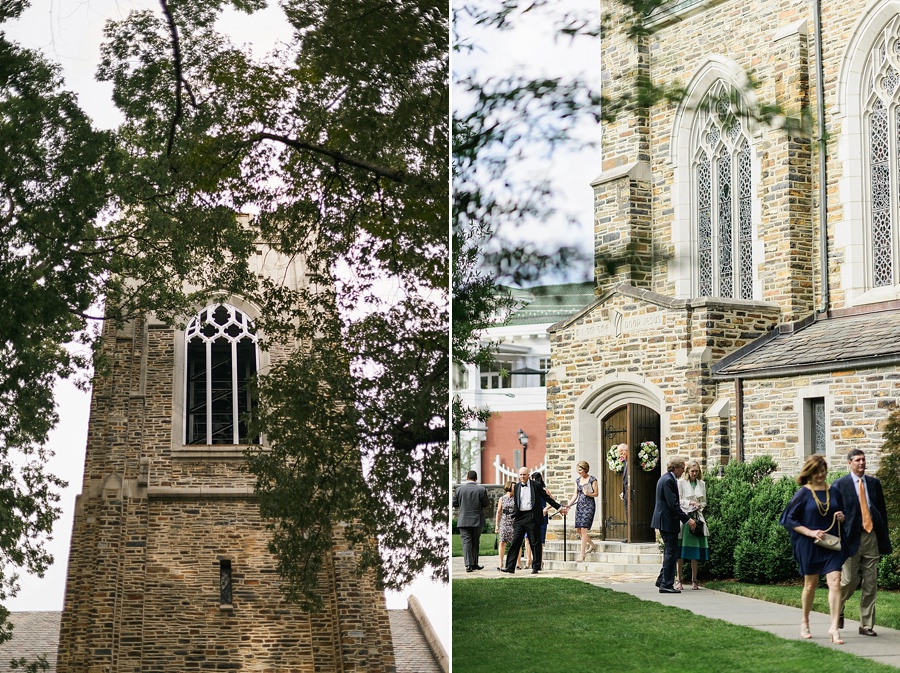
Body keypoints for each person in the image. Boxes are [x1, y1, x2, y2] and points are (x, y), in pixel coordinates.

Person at [779, 454, 847, 643]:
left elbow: (843, 512)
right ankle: (805, 621)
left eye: (823, 471)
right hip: (809, 545)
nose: (821, 475)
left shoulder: (834, 491)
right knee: (810, 585)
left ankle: (834, 628)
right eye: (817, 472)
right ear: (810, 472)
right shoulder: (803, 493)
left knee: (835, 581)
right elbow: (789, 520)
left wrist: (842, 517)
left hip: (831, 544)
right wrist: (810, 532)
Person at [836, 449, 892, 636]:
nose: (861, 463)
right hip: (850, 538)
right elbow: (832, 511)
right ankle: (839, 608)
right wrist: (839, 517)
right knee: (849, 581)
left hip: (870, 536)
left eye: (863, 459)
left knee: (871, 582)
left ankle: (866, 625)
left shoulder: (874, 484)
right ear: (849, 463)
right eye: (857, 460)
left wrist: (882, 534)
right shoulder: (840, 485)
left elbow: (881, 511)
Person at [500, 467, 565, 574]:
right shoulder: (516, 487)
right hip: (520, 517)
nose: (522, 477)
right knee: (515, 541)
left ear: (528, 475)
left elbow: (547, 498)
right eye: (520, 475)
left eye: (524, 475)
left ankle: (536, 566)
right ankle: (510, 567)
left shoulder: (536, 485)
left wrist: (559, 508)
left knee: (535, 542)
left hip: (532, 516)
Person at [651, 455, 695, 594]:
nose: (683, 471)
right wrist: (688, 520)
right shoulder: (668, 480)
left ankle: (662, 579)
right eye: (682, 468)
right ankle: (666, 584)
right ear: (675, 468)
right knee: (671, 552)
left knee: (670, 551)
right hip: (667, 521)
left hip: (665, 520)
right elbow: (673, 505)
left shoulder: (667, 478)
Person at [676, 459, 708, 590]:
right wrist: (691, 504)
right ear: (688, 471)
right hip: (684, 518)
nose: (694, 473)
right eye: (692, 471)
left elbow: (704, 501)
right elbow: (679, 500)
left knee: (695, 551)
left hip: (697, 517)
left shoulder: (702, 484)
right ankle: (679, 580)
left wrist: (700, 506)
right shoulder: (681, 483)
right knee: (681, 551)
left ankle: (694, 580)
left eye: (696, 471)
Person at [453, 470, 489, 573]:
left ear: (467, 477)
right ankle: (474, 563)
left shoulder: (459, 489)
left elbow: (455, 503)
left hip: (464, 519)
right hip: (477, 519)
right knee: (475, 542)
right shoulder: (481, 489)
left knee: (466, 542)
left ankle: (468, 564)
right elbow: (486, 503)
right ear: (476, 478)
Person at [564, 461, 598, 562]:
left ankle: (582, 555)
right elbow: (575, 494)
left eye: (580, 470)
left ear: (585, 469)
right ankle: (592, 545)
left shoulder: (592, 479)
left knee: (584, 529)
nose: (579, 472)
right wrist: (569, 504)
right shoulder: (578, 480)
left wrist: (588, 493)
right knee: (578, 530)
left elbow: (596, 494)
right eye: (578, 470)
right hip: (580, 506)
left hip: (589, 506)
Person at [494, 480, 516, 571]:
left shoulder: (517, 498)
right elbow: (499, 512)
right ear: (509, 487)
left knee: (515, 542)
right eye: (514, 486)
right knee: (502, 542)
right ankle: (501, 563)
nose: (515, 488)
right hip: (504, 521)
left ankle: (517, 563)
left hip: (514, 521)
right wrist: (497, 525)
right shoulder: (502, 498)